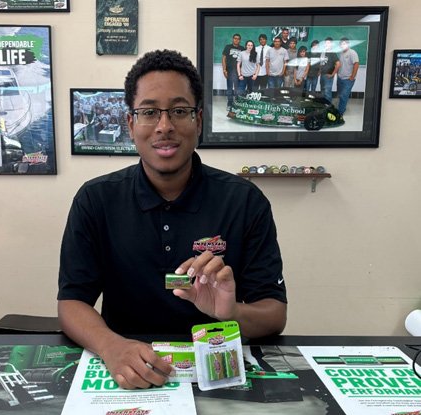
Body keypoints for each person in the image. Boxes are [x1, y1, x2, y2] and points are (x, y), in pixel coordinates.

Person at [57, 49, 287, 390]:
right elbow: (71, 302)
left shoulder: (244, 201)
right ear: (131, 123)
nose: (164, 127)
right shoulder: (95, 200)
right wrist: (111, 346)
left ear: (198, 119)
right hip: (127, 366)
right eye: (149, 112)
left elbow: (274, 315)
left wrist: (231, 313)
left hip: (219, 368)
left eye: (179, 111)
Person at [336, 37, 359, 116]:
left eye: (344, 43)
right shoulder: (340, 54)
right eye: (341, 44)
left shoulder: (352, 53)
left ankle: (340, 112)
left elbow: (356, 64)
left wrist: (352, 77)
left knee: (344, 96)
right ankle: (342, 107)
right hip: (340, 78)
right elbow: (338, 65)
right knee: (340, 94)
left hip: (348, 79)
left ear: (348, 44)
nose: (342, 45)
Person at [222, 34, 244, 108]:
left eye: (238, 39)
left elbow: (244, 61)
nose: (236, 40)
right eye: (235, 38)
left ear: (240, 40)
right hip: (229, 71)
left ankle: (237, 103)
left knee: (238, 89)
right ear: (232, 39)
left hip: (238, 72)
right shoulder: (228, 47)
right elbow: (223, 59)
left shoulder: (242, 48)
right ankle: (230, 103)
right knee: (229, 88)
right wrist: (224, 70)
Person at [319, 37, 340, 102]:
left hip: (328, 76)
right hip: (322, 75)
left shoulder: (333, 53)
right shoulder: (323, 52)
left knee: (327, 93)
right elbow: (321, 63)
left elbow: (338, 64)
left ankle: (328, 108)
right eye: (325, 43)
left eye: (328, 43)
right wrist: (320, 71)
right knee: (322, 91)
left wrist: (332, 75)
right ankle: (323, 106)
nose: (326, 44)